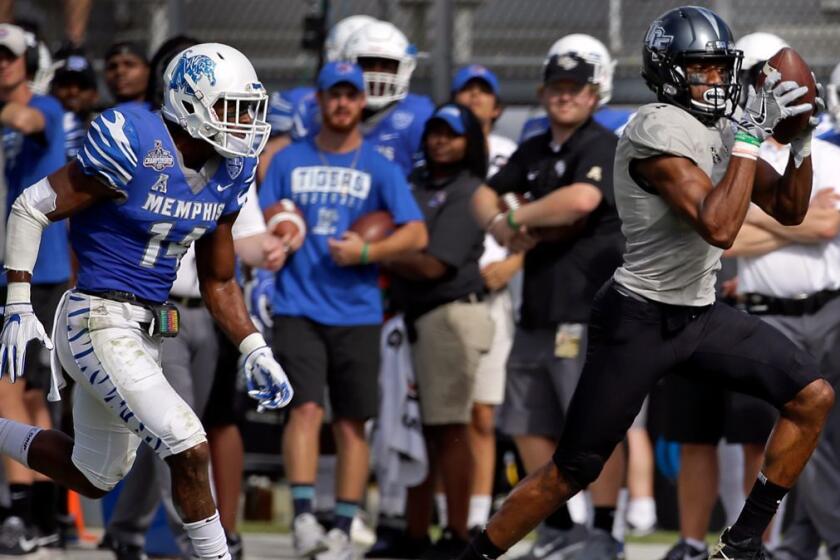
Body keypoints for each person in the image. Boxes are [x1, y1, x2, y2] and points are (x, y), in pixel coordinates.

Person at [458, 5, 835, 560]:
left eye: (718, 67)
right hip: (640, 317)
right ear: (668, 70)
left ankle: (743, 540)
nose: (715, 79)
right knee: (572, 470)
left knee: (812, 397)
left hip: (699, 314)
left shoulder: (723, 126)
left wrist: (800, 142)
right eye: (700, 68)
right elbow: (720, 226)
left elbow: (789, 208)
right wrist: (753, 137)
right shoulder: (654, 128)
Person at [0, 42, 293, 560]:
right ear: (189, 102)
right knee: (188, 442)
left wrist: (254, 347)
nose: (246, 122)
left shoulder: (230, 171)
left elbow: (220, 282)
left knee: (94, 475)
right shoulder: (133, 138)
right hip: (97, 317)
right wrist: (18, 302)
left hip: (146, 329)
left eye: (250, 109)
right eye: (232, 109)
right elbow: (31, 205)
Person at [260, 61, 427, 560]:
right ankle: (306, 517)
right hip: (298, 303)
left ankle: (345, 525)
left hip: (356, 309)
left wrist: (368, 253)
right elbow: (269, 213)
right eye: (334, 95)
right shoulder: (288, 160)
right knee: (305, 409)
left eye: (350, 96)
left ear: (361, 103)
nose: (342, 104)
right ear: (320, 100)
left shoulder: (379, 166)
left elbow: (416, 232)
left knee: (354, 422)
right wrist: (281, 233)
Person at [473, 48, 625, 559]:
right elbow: (482, 195)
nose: (566, 94)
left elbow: (580, 200)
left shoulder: (601, 143)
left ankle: (605, 529)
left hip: (587, 309)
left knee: (595, 424)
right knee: (526, 421)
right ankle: (559, 524)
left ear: (594, 94)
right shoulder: (534, 146)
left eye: (576, 87)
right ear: (542, 92)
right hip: (537, 307)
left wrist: (517, 219)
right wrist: (500, 222)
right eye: (557, 85)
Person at [657, 31, 793, 560]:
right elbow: (719, 225)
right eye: (757, 75)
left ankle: (754, 544)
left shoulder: (800, 143)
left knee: (757, 438)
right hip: (694, 299)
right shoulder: (697, 130)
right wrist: (760, 223)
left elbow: (813, 218)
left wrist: (753, 221)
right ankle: (691, 540)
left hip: (754, 309)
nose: (760, 86)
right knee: (695, 434)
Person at [383, 103, 494, 558]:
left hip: (449, 316)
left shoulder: (471, 191)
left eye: (451, 134)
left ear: (470, 141)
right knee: (419, 429)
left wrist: (372, 252)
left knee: (448, 429)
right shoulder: (417, 184)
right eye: (434, 132)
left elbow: (433, 263)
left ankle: (455, 534)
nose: (439, 141)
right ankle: (413, 534)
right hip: (413, 318)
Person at [0, 22, 70, 554]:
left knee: (24, 395)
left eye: (7, 56)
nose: (0, 64)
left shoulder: (42, 108)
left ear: (29, 62)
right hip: (12, 273)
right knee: (19, 394)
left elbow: (27, 118)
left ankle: (33, 514)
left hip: (39, 274)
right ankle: (35, 514)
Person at [450, 64, 520, 535]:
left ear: (497, 106)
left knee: (483, 411)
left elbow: (533, 224)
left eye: (483, 91)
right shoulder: (441, 149)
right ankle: (446, 516)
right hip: (445, 294)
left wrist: (513, 265)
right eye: (465, 91)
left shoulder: (512, 155)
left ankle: (478, 517)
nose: (474, 98)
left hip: (495, 294)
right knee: (444, 413)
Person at [289, 19, 434, 178]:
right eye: (368, 63)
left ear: (405, 68)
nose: (376, 74)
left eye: (386, 65)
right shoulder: (314, 110)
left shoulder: (419, 117)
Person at [50, 49, 99, 161]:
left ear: (96, 95)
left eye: (82, 85)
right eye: (65, 84)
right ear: (53, 91)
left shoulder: (109, 129)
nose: (73, 92)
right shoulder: (40, 130)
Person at [104, 41, 150, 106]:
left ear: (148, 70)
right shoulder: (99, 115)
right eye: (112, 67)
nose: (119, 71)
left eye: (129, 64)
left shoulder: (164, 114)